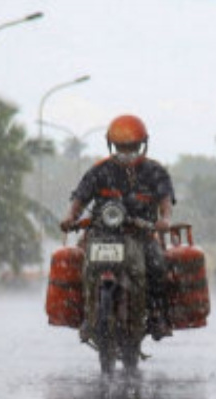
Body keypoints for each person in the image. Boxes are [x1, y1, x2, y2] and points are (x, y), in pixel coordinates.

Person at [59, 114, 174, 340]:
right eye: (121, 146)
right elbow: (79, 198)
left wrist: (165, 220)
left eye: (132, 147)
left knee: (157, 265)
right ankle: (88, 317)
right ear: (112, 145)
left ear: (142, 145)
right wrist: (70, 216)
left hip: (140, 234)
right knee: (87, 269)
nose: (126, 151)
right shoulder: (99, 170)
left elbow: (165, 201)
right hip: (101, 234)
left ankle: (156, 315)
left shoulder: (155, 171)